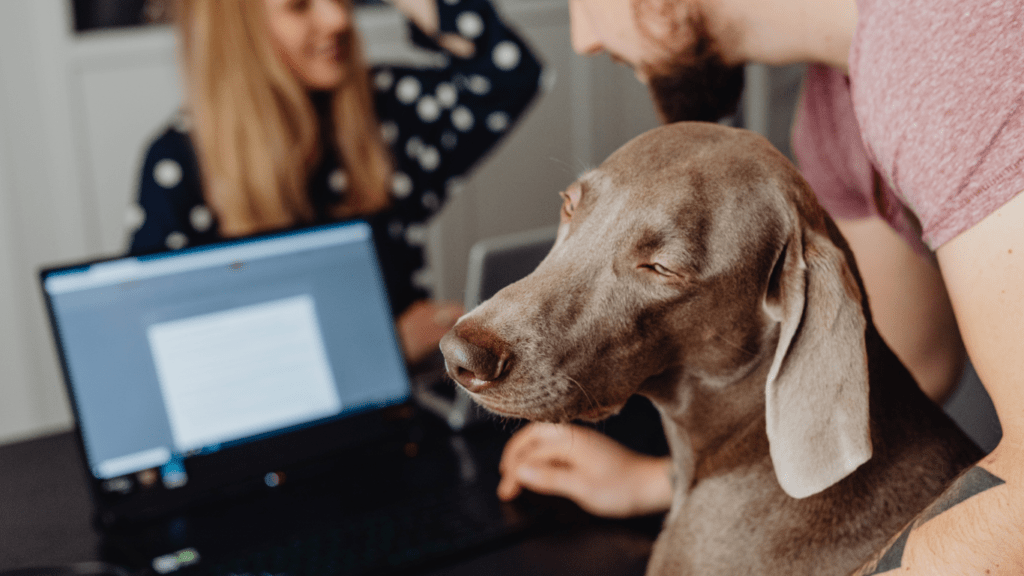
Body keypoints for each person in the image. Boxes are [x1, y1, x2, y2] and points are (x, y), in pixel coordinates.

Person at [498, 0, 1024, 572]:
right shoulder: (833, 107)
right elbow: (905, 361)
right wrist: (661, 481)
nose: (582, 39)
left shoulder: (967, 50)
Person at [128, 0, 542, 364]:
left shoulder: (386, 110)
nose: (338, 18)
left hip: (403, 421)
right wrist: (387, 348)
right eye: (299, 5)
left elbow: (510, 75)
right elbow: (175, 358)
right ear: (239, 30)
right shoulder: (178, 164)